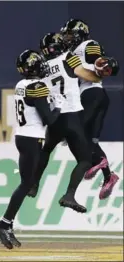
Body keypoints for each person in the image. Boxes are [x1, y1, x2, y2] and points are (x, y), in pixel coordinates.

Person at [0, 50, 65, 249]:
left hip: (23, 136)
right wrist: (57, 105)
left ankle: (6, 223)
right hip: (32, 138)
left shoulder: (21, 84)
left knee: (27, 183)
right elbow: (49, 119)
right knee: (26, 184)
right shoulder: (37, 86)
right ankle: (4, 223)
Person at [28, 33, 102, 211]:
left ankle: (33, 184)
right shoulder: (68, 57)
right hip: (72, 115)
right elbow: (87, 75)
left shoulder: (42, 67)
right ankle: (69, 195)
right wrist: (99, 74)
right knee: (84, 160)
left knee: (46, 150)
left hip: (55, 117)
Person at [60, 19, 119, 199]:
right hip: (93, 97)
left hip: (92, 95)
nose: (67, 37)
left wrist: (102, 65)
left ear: (79, 33)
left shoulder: (88, 44)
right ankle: (109, 176)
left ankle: (96, 161)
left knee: (77, 133)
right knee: (90, 139)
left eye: (70, 33)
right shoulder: (69, 52)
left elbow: (98, 61)